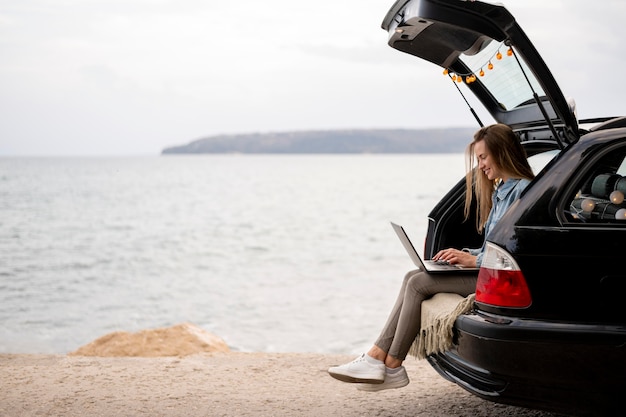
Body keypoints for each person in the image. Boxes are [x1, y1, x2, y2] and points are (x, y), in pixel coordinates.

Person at [328, 123, 535, 392]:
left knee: (418, 283)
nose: (480, 165)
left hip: (499, 278)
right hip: (486, 269)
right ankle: (377, 358)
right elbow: (494, 247)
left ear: (502, 152)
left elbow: (518, 252)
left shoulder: (523, 192)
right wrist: (465, 254)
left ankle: (390, 365)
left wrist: (475, 262)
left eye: (483, 157)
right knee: (412, 275)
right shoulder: (503, 191)